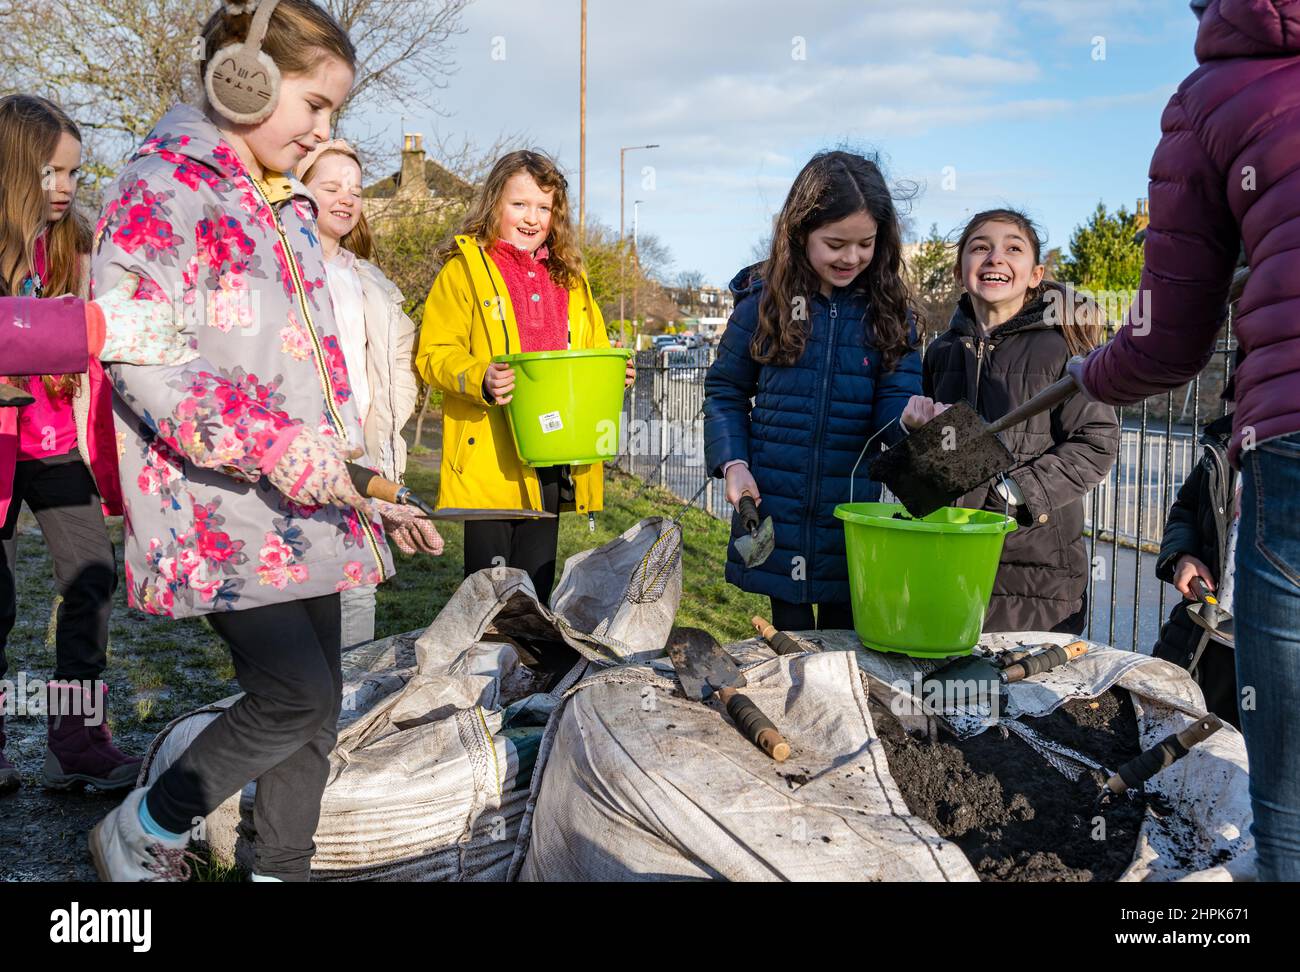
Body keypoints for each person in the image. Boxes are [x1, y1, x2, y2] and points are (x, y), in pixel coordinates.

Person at [85, 0, 432, 882]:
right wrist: (288, 454)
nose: (325, 131)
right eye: (315, 106)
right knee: (292, 694)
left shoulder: (280, 198)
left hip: (305, 501)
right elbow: (142, 359)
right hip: (223, 502)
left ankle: (281, 869)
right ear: (245, 81)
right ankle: (146, 828)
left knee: (317, 712)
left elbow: (304, 357)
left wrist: (348, 467)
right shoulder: (158, 187)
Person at [1069, 0, 1300, 882]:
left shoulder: (1213, 98)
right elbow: (1205, 462)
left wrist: (1095, 372)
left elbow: (1169, 343)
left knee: (1291, 802)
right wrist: (1183, 545)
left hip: (1292, 438)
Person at [703, 150, 923, 631]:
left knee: (847, 647)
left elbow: (894, 405)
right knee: (794, 647)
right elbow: (725, 392)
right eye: (836, 243)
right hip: (775, 505)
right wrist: (733, 464)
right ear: (800, 232)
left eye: (866, 244)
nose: (852, 258)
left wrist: (908, 421)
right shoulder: (761, 304)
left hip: (851, 515)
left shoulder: (889, 312)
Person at [415, 149, 633, 605]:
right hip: (488, 453)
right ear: (494, 203)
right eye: (520, 205)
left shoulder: (571, 278)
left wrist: (613, 373)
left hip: (551, 452)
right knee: (488, 590)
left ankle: (526, 669)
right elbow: (434, 353)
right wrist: (479, 376)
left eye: (544, 207)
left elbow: (591, 350)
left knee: (537, 583)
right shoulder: (463, 272)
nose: (532, 218)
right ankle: (481, 668)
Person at [0, 94, 138, 795]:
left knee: (91, 574)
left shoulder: (74, 246)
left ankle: (75, 737)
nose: (63, 189)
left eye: (74, 175)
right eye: (51, 173)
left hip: (51, 439)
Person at [902, 210, 1119, 634]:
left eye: (1013, 248)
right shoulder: (942, 354)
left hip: (1037, 576)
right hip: (952, 563)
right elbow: (936, 473)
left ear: (1036, 274)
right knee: (953, 694)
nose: (995, 257)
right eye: (980, 247)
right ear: (958, 269)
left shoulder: (1061, 350)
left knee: (1029, 696)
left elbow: (1096, 443)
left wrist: (1014, 492)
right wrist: (919, 436)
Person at [297, 138, 442, 649]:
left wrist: (390, 414)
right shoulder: (277, 269)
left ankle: (347, 704)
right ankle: (300, 699)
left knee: (358, 581)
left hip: (363, 450)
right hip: (297, 451)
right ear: (297, 190)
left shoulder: (369, 280)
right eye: (330, 186)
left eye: (355, 190)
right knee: (301, 577)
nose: (346, 198)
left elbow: (403, 353)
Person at [1153, 411, 1240, 728]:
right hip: (1207, 639)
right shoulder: (1232, 437)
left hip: (1277, 659)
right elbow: (1187, 507)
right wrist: (1184, 555)